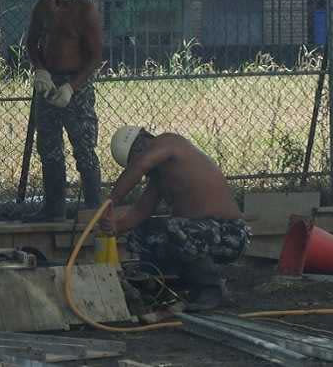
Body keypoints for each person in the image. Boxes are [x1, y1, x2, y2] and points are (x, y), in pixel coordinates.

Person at [99, 126, 252, 311]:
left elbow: (141, 165)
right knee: (143, 233)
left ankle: (212, 290)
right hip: (199, 235)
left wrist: (111, 200)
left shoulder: (169, 142)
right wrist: (114, 227)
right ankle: (164, 291)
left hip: (230, 234)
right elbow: (140, 212)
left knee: (174, 227)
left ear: (143, 143)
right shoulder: (159, 179)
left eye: (137, 157)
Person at [25, 0, 104, 220]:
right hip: (48, 83)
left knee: (83, 147)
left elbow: (95, 58)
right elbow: (31, 43)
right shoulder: (44, 6)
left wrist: (72, 87)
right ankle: (54, 208)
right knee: (48, 147)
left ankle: (94, 207)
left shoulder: (86, 10)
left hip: (76, 85)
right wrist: (40, 71)